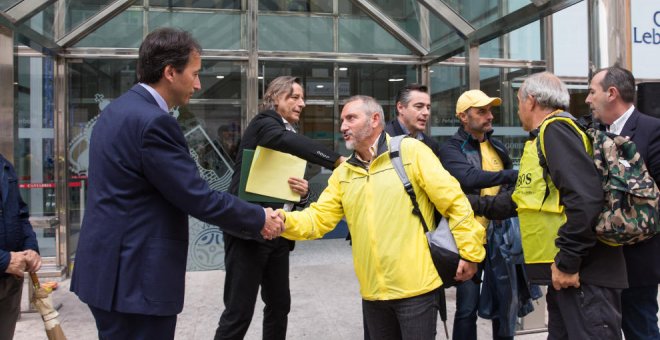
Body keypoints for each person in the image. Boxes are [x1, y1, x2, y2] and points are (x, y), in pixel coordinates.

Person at [70, 27, 284, 340]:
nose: (198, 84)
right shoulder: (155, 122)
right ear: (170, 72)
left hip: (106, 274)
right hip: (136, 280)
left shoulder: (117, 111)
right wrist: (260, 217)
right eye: (195, 74)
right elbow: (197, 197)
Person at [276, 95, 486, 339]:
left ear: (375, 119)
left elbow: (454, 203)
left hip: (417, 291)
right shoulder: (344, 173)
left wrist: (471, 253)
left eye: (351, 118)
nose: (343, 126)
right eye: (342, 120)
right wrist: (281, 221)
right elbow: (318, 219)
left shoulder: (411, 151)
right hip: (373, 294)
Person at [214, 76, 344, 340]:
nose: (302, 103)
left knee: (279, 306)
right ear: (274, 98)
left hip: (279, 233)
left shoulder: (287, 133)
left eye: (302, 98)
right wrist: (336, 160)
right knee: (238, 313)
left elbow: (280, 189)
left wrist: (304, 194)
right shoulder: (265, 124)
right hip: (249, 233)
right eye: (294, 97)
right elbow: (287, 142)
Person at [513, 72, 626, 339]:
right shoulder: (555, 132)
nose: (518, 109)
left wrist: (567, 262)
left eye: (518, 101)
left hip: (583, 275)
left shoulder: (556, 131)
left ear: (530, 101)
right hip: (573, 276)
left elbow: (585, 199)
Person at [586, 65, 660, 340]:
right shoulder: (593, 133)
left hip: (638, 260)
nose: (588, 99)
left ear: (612, 93)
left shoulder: (653, 130)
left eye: (592, 92)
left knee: (640, 329)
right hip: (601, 258)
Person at [438, 89, 518, 340]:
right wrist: (514, 174)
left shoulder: (498, 146)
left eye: (490, 111)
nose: (489, 116)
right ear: (463, 116)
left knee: (505, 306)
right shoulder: (451, 148)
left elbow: (507, 188)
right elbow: (469, 178)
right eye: (481, 111)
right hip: (466, 240)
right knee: (467, 309)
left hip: (499, 239)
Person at [0, 153, 42, 340]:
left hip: (9, 283)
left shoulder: (5, 167)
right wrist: (4, 260)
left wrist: (31, 247)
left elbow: (21, 215)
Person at [385, 83, 440, 155]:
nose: (426, 113)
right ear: (400, 108)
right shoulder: (383, 140)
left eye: (428, 108)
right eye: (419, 106)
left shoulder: (431, 145)